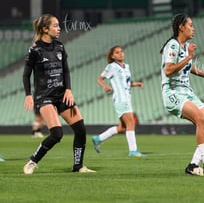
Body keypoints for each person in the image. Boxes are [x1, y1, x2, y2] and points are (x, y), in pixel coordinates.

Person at [22, 13, 95, 174]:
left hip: (62, 95)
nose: (59, 28)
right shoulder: (35, 49)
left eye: (58, 25)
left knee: (81, 129)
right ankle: (32, 161)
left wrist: (68, 90)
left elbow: (66, 71)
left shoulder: (60, 46)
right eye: (55, 25)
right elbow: (26, 75)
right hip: (45, 97)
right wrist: (28, 94)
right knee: (57, 134)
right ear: (45, 29)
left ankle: (78, 166)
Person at [160, 13, 204, 176]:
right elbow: (168, 70)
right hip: (173, 91)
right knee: (200, 120)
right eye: (190, 25)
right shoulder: (173, 45)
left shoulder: (184, 45)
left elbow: (190, 67)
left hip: (187, 92)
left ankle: (193, 165)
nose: (193, 28)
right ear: (181, 27)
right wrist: (188, 56)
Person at [92, 45, 145, 157]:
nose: (120, 53)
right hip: (121, 99)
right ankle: (133, 150)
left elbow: (127, 82)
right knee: (131, 123)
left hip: (127, 98)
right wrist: (105, 86)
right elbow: (100, 79)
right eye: (117, 52)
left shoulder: (126, 67)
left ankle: (98, 138)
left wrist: (137, 84)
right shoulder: (111, 67)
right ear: (112, 56)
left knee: (123, 127)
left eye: (121, 51)